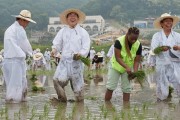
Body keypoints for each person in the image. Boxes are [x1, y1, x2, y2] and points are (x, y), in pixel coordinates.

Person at [51, 9, 90, 102]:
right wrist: (54, 50)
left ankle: (79, 108)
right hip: (64, 61)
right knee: (57, 80)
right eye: (70, 16)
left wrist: (80, 54)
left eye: (74, 16)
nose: (72, 17)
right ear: (67, 19)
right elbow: (57, 43)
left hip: (76, 62)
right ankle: (62, 100)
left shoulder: (83, 32)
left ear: (78, 18)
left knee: (78, 88)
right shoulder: (62, 31)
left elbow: (86, 46)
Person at [2, 10, 36, 103]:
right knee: (17, 85)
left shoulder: (9, 29)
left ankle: (12, 105)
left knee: (11, 85)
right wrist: (32, 54)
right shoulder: (19, 29)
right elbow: (25, 44)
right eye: (27, 22)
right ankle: (15, 109)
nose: (27, 24)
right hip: (16, 61)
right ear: (22, 20)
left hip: (7, 61)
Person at [105, 27, 142, 102]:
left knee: (127, 88)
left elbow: (137, 61)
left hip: (127, 69)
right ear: (127, 34)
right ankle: (106, 105)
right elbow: (118, 57)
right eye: (132, 39)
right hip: (116, 66)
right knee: (111, 86)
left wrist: (135, 71)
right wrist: (126, 67)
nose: (133, 41)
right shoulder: (119, 41)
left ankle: (126, 109)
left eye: (135, 39)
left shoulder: (138, 45)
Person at [151, 13, 180, 101]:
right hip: (161, 64)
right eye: (166, 21)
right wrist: (161, 48)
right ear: (161, 24)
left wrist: (178, 47)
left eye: (170, 21)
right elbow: (153, 51)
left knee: (178, 83)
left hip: (175, 63)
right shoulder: (156, 36)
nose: (169, 23)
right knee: (162, 87)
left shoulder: (177, 36)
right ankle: (161, 108)